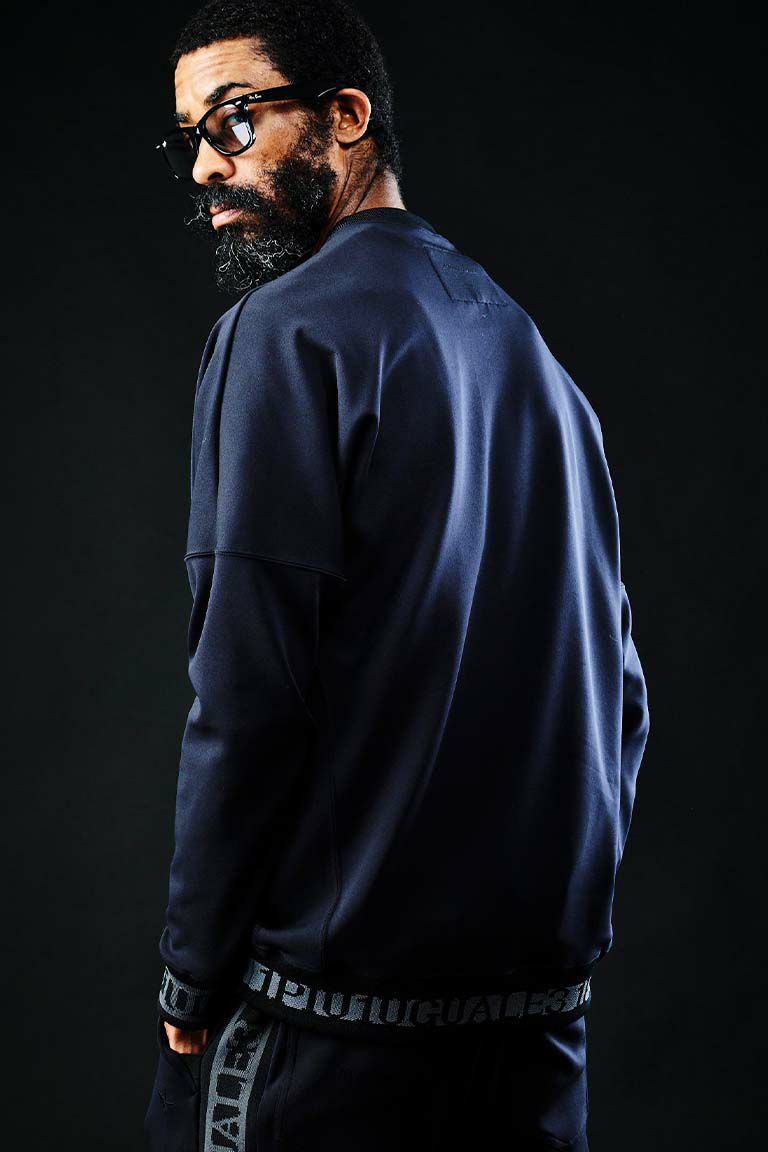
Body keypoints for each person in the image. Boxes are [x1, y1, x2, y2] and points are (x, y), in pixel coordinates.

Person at [143, 2, 651, 1149]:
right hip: (535, 1043)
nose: (208, 166)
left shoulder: (281, 334)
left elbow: (248, 696)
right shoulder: (533, 357)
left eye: (233, 120)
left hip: (329, 1052)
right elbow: (621, 698)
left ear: (346, 116)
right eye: (190, 140)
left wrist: (190, 975)